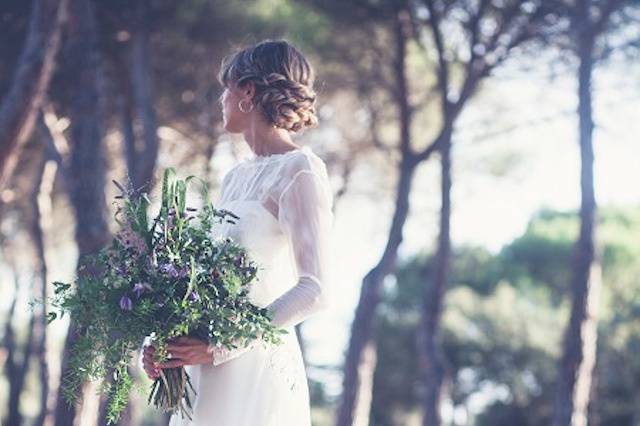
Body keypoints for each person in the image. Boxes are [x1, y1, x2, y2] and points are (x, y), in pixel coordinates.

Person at [140, 38, 334, 425]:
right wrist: (166, 340)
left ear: (248, 91)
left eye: (226, 89)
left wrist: (222, 345)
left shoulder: (300, 170)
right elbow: (209, 281)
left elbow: (316, 289)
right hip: (206, 372)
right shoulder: (235, 178)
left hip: (255, 369)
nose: (221, 100)